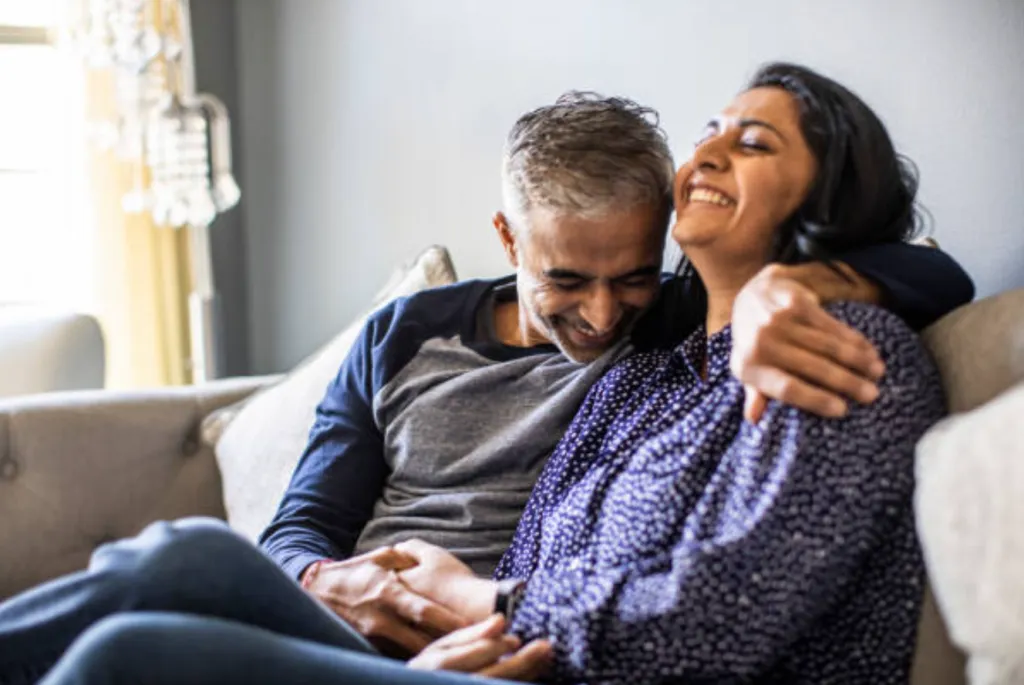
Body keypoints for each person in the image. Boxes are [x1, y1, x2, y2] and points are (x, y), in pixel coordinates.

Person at [25, 62, 948, 685]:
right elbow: (320, 525)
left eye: (756, 144)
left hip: (510, 646)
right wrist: (381, 604)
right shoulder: (643, 373)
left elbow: (718, 620)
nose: (599, 315)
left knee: (132, 649)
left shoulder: (801, 350)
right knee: (185, 558)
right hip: (448, 638)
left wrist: (796, 284)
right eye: (714, 129)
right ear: (509, 243)